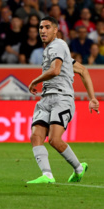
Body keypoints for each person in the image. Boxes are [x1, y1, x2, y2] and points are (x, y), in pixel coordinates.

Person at [27, 16, 100, 184]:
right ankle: (47, 175)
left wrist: (34, 81)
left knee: (54, 139)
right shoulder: (52, 50)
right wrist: (92, 98)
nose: (42, 30)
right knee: (36, 136)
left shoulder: (58, 45)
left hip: (61, 98)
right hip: (46, 98)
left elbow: (55, 70)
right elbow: (82, 70)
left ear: (55, 30)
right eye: (40, 27)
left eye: (46, 27)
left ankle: (78, 168)